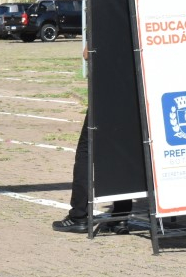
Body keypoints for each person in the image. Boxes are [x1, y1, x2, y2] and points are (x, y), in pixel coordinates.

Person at [53, 46, 132, 233]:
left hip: (106, 91)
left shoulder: (104, 25)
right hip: (132, 90)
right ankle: (121, 216)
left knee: (86, 152)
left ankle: (79, 215)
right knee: (123, 152)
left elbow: (87, 53)